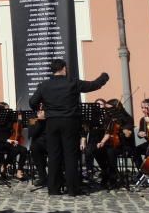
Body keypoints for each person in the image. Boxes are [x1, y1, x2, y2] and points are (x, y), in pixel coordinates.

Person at [29, 59, 109, 197]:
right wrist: (104, 77)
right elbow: (93, 85)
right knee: (70, 156)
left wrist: (43, 110)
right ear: (64, 69)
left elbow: (32, 102)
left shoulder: (44, 85)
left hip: (52, 122)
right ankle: (73, 189)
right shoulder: (72, 82)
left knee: (54, 155)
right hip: (70, 122)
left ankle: (53, 189)